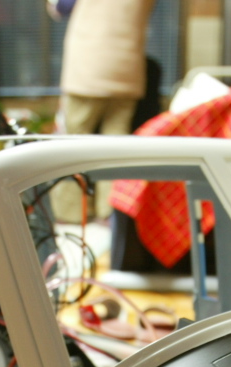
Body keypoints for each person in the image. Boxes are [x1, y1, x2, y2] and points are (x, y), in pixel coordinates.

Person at [50, 0, 156, 220]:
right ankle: (111, 215)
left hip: (89, 68)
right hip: (127, 68)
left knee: (74, 144)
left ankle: (73, 214)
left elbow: (60, 6)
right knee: (115, 147)